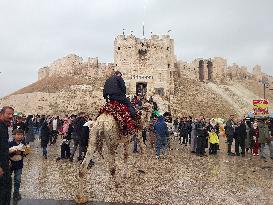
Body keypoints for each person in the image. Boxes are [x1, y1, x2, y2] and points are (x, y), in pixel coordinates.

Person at [0, 106, 14, 205]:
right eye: (8, 114)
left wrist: (8, 158)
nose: (11, 116)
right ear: (1, 114)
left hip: (4, 162)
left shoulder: (4, 126)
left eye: (12, 114)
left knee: (7, 187)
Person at [9, 129, 27, 201]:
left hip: (19, 164)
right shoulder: (10, 143)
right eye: (18, 135)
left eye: (21, 135)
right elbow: (7, 153)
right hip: (10, 164)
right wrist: (14, 152)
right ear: (14, 135)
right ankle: (7, 192)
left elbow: (25, 153)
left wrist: (24, 153)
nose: (19, 136)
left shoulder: (24, 144)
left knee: (17, 179)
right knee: (8, 179)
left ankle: (16, 193)